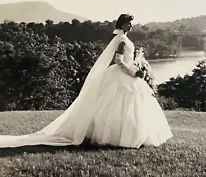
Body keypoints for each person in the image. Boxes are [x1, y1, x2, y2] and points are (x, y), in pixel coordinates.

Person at [0, 14, 173, 148]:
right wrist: (132, 73)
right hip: (122, 74)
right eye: (128, 23)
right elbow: (119, 60)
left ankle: (137, 134)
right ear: (121, 25)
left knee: (134, 105)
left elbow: (128, 59)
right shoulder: (121, 40)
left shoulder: (126, 39)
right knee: (116, 105)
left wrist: (137, 68)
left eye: (131, 23)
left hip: (130, 73)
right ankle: (118, 136)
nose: (131, 25)